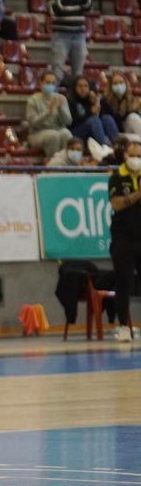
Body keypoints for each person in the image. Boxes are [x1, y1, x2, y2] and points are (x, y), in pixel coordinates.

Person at [107, 140, 141, 342]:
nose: (137, 159)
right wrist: (138, 195)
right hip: (123, 240)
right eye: (133, 155)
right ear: (125, 156)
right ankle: (123, 327)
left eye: (140, 155)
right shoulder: (117, 177)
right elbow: (117, 204)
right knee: (124, 283)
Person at [48, 0, 92, 84]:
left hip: (79, 35)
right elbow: (53, 10)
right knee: (57, 72)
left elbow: (88, 8)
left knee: (78, 75)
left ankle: (74, 103)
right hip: (60, 35)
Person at [24, 72, 73, 157]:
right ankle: (54, 165)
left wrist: (61, 109)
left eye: (53, 83)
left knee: (66, 134)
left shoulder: (61, 98)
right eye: (48, 82)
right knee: (53, 136)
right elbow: (33, 123)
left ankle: (68, 165)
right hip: (37, 132)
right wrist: (48, 112)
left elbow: (68, 121)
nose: (50, 85)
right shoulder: (33, 100)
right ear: (41, 83)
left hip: (58, 129)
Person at [67, 75, 119, 155]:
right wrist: (90, 112)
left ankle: (119, 147)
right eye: (79, 86)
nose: (83, 89)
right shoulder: (70, 101)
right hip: (75, 132)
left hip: (92, 131)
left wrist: (96, 101)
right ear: (74, 88)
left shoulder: (91, 99)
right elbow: (72, 121)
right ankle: (104, 150)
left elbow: (105, 115)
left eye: (85, 86)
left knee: (107, 118)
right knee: (94, 120)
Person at [101, 72, 141, 140]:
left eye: (121, 82)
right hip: (113, 134)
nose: (119, 86)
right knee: (137, 138)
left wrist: (134, 109)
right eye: (115, 83)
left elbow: (134, 121)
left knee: (133, 116)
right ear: (111, 86)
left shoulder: (130, 99)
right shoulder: (105, 101)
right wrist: (131, 109)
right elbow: (113, 121)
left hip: (127, 132)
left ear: (126, 84)